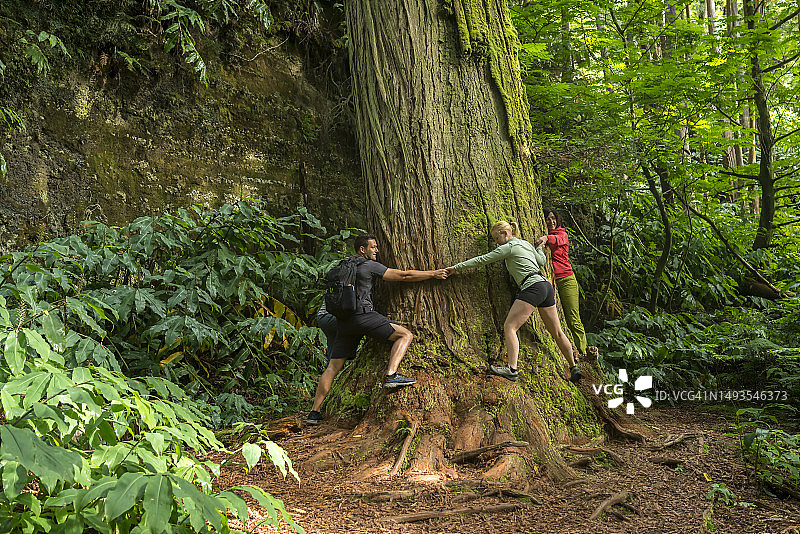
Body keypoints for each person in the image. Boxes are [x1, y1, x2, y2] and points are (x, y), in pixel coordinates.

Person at [306, 233, 448, 425]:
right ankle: (391, 375)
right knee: (405, 335)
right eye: (373, 247)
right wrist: (433, 273)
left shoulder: (343, 266)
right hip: (364, 317)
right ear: (362, 249)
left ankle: (314, 412)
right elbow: (403, 275)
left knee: (332, 367)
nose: (377, 251)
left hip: (344, 322)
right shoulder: (368, 265)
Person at [445, 221, 582, 383]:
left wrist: (456, 267)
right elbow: (541, 260)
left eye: (497, 238)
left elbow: (482, 260)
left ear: (505, 234)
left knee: (510, 326)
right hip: (546, 286)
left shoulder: (508, 247)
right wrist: (538, 247)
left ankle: (512, 368)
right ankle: (573, 367)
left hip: (532, 287)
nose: (496, 242)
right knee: (557, 332)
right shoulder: (524, 244)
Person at [534, 208, 589, 362]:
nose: (551, 222)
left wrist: (546, 238)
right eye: (547, 219)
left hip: (566, 279)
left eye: (553, 218)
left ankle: (583, 351)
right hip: (549, 281)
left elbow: (558, 240)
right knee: (556, 318)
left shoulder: (561, 234)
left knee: (572, 317)